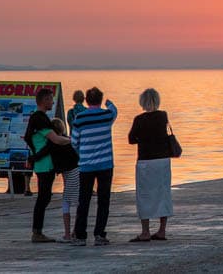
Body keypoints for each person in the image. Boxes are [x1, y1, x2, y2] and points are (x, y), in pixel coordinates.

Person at [71, 87, 118, 246]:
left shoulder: (79, 118)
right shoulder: (107, 115)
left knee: (83, 200)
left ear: (86, 100)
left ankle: (80, 235)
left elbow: (74, 142)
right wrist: (109, 103)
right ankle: (99, 234)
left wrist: (83, 153)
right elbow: (114, 110)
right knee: (104, 200)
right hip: (105, 164)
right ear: (100, 99)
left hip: (86, 165)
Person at [25, 88, 73, 243]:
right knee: (43, 198)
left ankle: (37, 231)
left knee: (44, 197)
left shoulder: (37, 118)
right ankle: (37, 232)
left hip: (41, 163)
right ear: (44, 100)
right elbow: (56, 140)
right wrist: (73, 141)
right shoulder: (40, 118)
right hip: (44, 165)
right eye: (51, 100)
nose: (52, 102)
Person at [127, 88, 172, 242]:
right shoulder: (163, 116)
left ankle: (145, 231)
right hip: (163, 160)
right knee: (163, 193)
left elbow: (131, 139)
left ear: (142, 102)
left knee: (144, 195)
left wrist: (143, 139)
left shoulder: (139, 119)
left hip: (146, 160)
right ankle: (162, 230)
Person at [49, 118, 79, 243]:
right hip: (78, 170)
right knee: (78, 203)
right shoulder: (69, 140)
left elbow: (60, 166)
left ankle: (69, 234)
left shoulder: (55, 145)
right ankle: (75, 231)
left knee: (67, 202)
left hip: (72, 173)